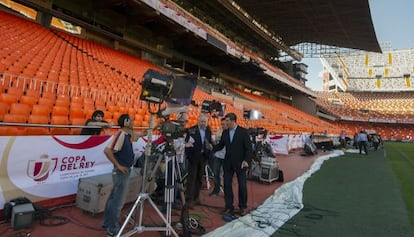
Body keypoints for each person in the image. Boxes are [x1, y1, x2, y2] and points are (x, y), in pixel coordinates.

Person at [101, 114, 147, 237]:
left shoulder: (127, 134)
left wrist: (149, 130)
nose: (133, 122)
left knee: (113, 198)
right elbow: (107, 150)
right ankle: (112, 229)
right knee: (117, 201)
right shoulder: (120, 134)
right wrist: (118, 165)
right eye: (131, 120)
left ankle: (107, 223)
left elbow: (139, 135)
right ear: (126, 122)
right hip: (121, 172)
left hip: (123, 171)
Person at [213, 113, 252, 216]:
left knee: (242, 185)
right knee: (227, 185)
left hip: (241, 163)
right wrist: (211, 148)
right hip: (228, 163)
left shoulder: (243, 132)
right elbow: (221, 145)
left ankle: (242, 207)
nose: (225, 123)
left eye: (227, 121)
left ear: (233, 121)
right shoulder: (225, 133)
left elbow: (249, 149)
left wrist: (246, 161)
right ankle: (229, 206)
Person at [184, 113, 212, 208]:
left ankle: (196, 198)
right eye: (201, 121)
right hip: (193, 158)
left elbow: (209, 142)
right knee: (191, 179)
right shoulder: (191, 130)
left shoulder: (208, 130)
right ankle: (189, 200)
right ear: (198, 121)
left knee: (199, 179)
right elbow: (187, 145)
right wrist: (189, 157)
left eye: (205, 122)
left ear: (207, 122)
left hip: (203, 157)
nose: (203, 123)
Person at [209, 118, 227, 196]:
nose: (223, 126)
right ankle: (216, 190)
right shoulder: (218, 132)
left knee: (226, 175)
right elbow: (215, 142)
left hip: (226, 157)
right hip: (217, 156)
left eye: (224, 124)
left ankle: (227, 191)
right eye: (222, 124)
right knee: (216, 174)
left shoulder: (230, 133)